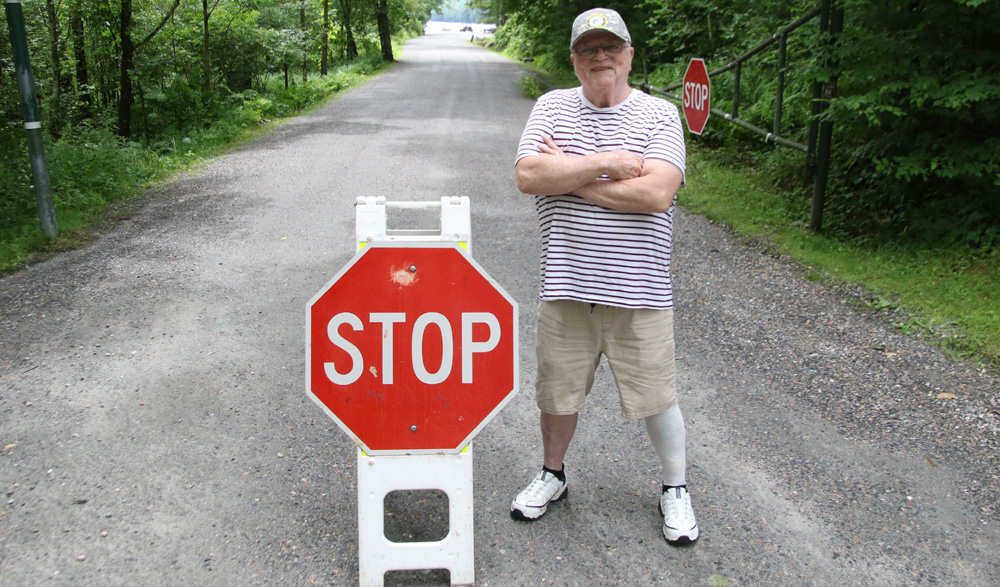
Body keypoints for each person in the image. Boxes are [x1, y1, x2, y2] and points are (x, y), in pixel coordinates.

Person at [510, 7, 698, 546]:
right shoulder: (550, 107)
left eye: (610, 47)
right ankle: (552, 475)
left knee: (657, 394)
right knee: (556, 392)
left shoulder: (659, 116)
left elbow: (656, 193)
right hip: (565, 285)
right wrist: (613, 161)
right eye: (588, 49)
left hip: (639, 291)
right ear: (574, 60)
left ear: (629, 55)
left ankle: (676, 488)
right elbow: (528, 175)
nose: (600, 57)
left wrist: (569, 173)